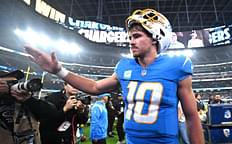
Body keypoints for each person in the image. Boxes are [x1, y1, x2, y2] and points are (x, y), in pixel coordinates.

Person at [24, 8, 204, 144]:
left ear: (156, 37)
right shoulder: (124, 67)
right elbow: (94, 88)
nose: (131, 41)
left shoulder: (176, 66)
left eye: (137, 36)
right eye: (130, 36)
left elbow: (191, 116)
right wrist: (59, 70)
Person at [0, 70, 41, 144]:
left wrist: (29, 99)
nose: (12, 86)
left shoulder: (25, 102)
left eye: (15, 83)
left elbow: (51, 114)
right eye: (9, 83)